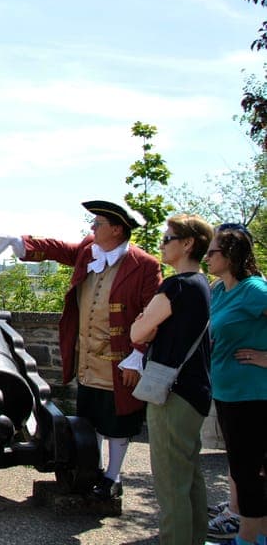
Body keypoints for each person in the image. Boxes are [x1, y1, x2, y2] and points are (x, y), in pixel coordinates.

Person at [0, 199, 162, 500]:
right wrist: (10, 239)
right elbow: (57, 248)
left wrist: (138, 355)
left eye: (98, 223)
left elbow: (153, 313)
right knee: (92, 417)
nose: (92, 227)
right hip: (88, 354)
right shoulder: (90, 250)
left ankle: (113, 477)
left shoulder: (144, 265)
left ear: (117, 229)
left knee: (118, 420)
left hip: (120, 357)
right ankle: (95, 469)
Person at [130, 214, 213, 544]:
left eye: (167, 239)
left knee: (170, 484)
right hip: (196, 390)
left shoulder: (176, 286)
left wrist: (145, 324)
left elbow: (137, 332)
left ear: (188, 243)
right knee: (190, 477)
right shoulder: (203, 285)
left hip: (172, 393)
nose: (162, 245)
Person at [205, 223, 267, 545]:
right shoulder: (218, 290)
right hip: (227, 394)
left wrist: (266, 357)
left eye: (212, 252)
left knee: (247, 473)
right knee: (245, 469)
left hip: (254, 395)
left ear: (230, 254)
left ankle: (246, 539)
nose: (207, 257)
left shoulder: (255, 290)